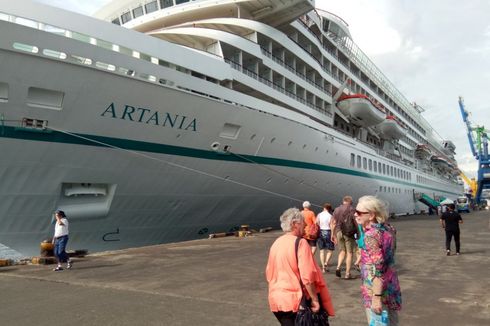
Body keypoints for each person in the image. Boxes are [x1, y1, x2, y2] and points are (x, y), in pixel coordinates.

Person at [266, 208, 335, 325]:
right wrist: (314, 299)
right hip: (296, 302)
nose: (306, 226)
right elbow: (307, 276)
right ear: (294, 224)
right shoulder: (300, 243)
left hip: (277, 300)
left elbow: (269, 273)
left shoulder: (276, 243)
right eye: (303, 223)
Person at [355, 196, 402, 325]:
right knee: (392, 321)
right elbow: (390, 255)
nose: (355, 214)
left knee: (378, 322)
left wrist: (376, 298)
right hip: (391, 283)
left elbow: (377, 268)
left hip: (376, 288)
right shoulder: (389, 229)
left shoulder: (371, 236)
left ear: (371, 215)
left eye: (359, 212)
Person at [331, 195, 358, 279]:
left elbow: (333, 222)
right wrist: (358, 233)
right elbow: (356, 222)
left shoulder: (337, 209)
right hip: (349, 233)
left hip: (339, 232)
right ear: (350, 202)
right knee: (349, 253)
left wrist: (332, 234)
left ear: (343, 201)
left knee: (342, 251)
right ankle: (347, 273)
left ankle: (338, 267)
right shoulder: (352, 209)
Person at [316, 203, 335, 273]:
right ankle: (326, 262)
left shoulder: (319, 214)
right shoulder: (330, 216)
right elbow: (332, 226)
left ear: (324, 208)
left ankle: (323, 267)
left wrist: (320, 225)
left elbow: (316, 222)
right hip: (328, 232)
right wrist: (332, 235)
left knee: (321, 250)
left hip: (321, 232)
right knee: (330, 250)